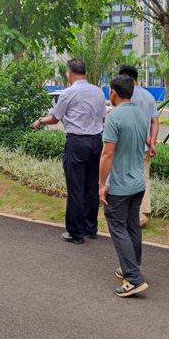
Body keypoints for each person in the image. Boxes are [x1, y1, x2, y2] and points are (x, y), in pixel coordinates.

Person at [32, 59, 106, 244]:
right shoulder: (98, 92)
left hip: (77, 143)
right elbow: (103, 118)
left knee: (76, 188)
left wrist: (40, 120)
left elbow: (54, 118)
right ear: (85, 73)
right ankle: (91, 228)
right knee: (91, 188)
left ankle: (76, 233)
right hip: (96, 142)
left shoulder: (68, 93)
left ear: (69, 72)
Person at [99, 75, 149, 297]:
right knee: (131, 226)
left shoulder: (114, 116)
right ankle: (131, 266)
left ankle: (134, 278)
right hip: (137, 183)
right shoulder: (140, 114)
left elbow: (107, 154)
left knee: (118, 228)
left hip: (119, 185)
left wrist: (101, 184)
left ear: (113, 92)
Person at [118, 65, 158, 227]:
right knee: (144, 177)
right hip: (146, 146)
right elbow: (155, 121)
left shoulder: (125, 96)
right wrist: (153, 142)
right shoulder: (149, 96)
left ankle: (132, 212)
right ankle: (143, 211)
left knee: (126, 176)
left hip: (128, 145)